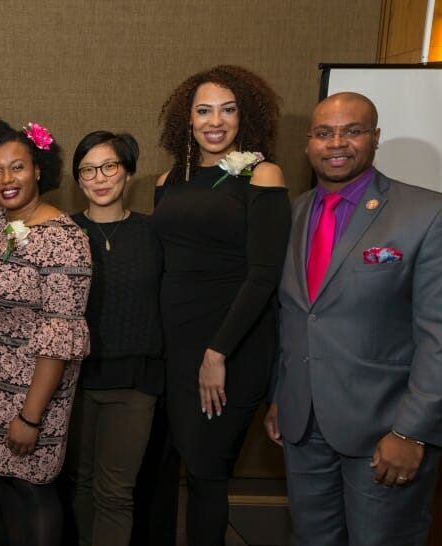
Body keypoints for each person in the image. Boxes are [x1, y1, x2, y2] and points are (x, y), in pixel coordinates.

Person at [264, 92, 442, 545]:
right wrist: (280, 396)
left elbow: (441, 337)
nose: (337, 144)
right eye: (324, 133)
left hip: (385, 432)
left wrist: (413, 432)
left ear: (375, 138)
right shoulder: (295, 212)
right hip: (302, 426)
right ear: (309, 143)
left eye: (353, 131)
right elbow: (293, 315)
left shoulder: (428, 214)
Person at [151, 65, 290, 545]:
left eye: (228, 110)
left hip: (232, 345)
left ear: (244, 116)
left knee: (208, 471)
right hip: (175, 344)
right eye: (204, 110)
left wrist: (217, 353)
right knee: (171, 464)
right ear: (187, 120)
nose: (216, 121)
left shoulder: (263, 174)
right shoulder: (171, 177)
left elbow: (264, 275)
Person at [0, 118, 92, 546]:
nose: (6, 179)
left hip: (31, 398)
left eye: (17, 167)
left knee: (34, 493)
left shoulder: (64, 240)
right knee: (10, 491)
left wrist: (31, 416)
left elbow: (60, 337)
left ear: (38, 169)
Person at [66, 131, 163, 546]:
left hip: (134, 381)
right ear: (78, 180)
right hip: (73, 380)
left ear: (128, 173)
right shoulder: (62, 233)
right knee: (80, 484)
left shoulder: (154, 232)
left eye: (110, 166)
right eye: (88, 170)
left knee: (115, 491)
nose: (100, 178)